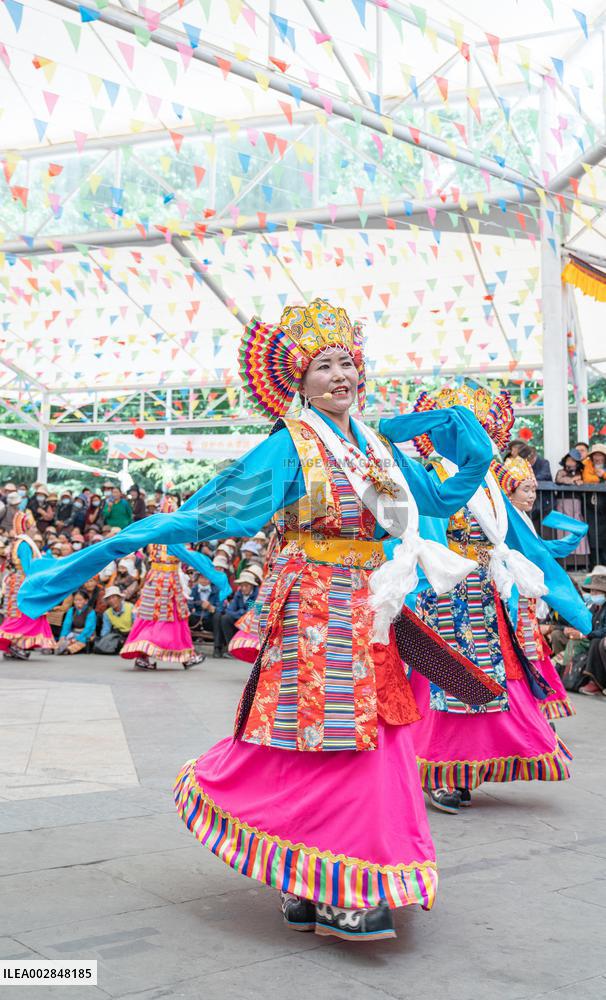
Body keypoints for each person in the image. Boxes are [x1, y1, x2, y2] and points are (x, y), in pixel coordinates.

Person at [19, 298, 502, 941]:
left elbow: (437, 499)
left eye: (348, 364)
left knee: (374, 734)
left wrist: (471, 450)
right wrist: (119, 541)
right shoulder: (290, 446)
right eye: (324, 365)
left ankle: (319, 878)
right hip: (314, 609)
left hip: (373, 605)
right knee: (321, 737)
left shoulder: (379, 448)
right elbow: (216, 514)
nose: (341, 376)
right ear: (298, 380)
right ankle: (332, 879)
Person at [407, 385, 591, 814]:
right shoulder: (429, 475)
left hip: (486, 597)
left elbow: (526, 544)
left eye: (482, 430)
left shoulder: (488, 482)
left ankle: (468, 767)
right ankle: (444, 770)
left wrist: (572, 605)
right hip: (443, 594)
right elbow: (422, 537)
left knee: (496, 682)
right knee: (446, 682)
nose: (478, 438)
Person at [502, 455, 581, 721]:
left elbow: (540, 551)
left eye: (534, 489)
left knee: (529, 648)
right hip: (512, 594)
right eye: (526, 489)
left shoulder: (523, 520)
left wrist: (569, 539)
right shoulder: (506, 522)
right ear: (508, 493)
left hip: (526, 597)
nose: (533, 495)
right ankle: (524, 710)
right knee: (519, 650)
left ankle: (531, 708)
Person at [120, 496, 228, 670]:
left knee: (149, 617)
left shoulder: (154, 534)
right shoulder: (173, 537)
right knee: (173, 617)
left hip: (153, 577)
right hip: (168, 579)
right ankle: (183, 656)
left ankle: (148, 655)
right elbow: (188, 556)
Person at [0, 510, 56, 659]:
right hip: (23, 581)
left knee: (21, 614)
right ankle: (15, 644)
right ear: (26, 528)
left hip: (16, 580)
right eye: (32, 528)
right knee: (25, 614)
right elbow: (28, 568)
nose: (35, 530)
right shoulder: (24, 544)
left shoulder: (17, 542)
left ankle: (13, 645)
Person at [212, 569, 259, 657]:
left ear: (252, 586)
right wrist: (240, 612)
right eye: (242, 586)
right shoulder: (239, 595)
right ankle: (231, 648)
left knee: (230, 617)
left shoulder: (256, 595)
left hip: (251, 624)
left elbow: (252, 613)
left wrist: (239, 613)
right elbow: (229, 610)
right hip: (238, 621)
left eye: (246, 586)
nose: (244, 588)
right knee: (225, 618)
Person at [576, 569, 606, 695]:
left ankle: (596, 681)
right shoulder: (594, 607)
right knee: (573, 642)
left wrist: (590, 634)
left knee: (596, 642)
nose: (592, 594)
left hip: (600, 637)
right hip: (596, 636)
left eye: (596, 591)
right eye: (592, 591)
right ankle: (574, 677)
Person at [94, 586, 135, 654]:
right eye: (109, 599)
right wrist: (102, 640)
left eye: (113, 597)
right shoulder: (107, 613)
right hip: (118, 635)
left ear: (119, 598)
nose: (111, 601)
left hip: (131, 634)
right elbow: (106, 629)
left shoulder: (130, 607)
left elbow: (136, 624)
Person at [56, 590, 97, 654]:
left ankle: (67, 650)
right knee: (62, 641)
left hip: (86, 634)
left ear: (86, 601)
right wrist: (63, 636)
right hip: (73, 632)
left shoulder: (91, 612)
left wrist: (77, 639)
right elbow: (67, 624)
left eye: (80, 600)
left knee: (79, 643)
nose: (77, 602)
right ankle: (55, 648)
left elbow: (89, 628)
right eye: (76, 600)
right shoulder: (71, 610)